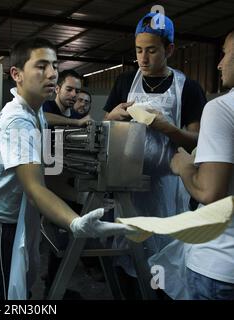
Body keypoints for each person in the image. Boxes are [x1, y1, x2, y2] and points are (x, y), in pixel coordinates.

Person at [0, 37, 136, 300]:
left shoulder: (36, 115)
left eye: (55, 66)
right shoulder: (18, 122)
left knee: (20, 289)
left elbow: (44, 177)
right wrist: (75, 222)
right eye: (41, 66)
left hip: (15, 219)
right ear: (17, 74)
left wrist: (84, 202)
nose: (51, 74)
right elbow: (35, 188)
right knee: (1, 296)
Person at [103, 12, 206, 298]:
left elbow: (197, 139)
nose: (143, 59)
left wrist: (167, 128)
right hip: (128, 188)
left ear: (169, 49)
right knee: (127, 257)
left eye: (151, 50)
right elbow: (104, 130)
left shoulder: (188, 88)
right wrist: (113, 117)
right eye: (138, 51)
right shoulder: (125, 82)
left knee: (164, 263)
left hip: (168, 190)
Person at [154, 30, 234, 300]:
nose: (220, 63)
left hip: (220, 265)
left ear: (169, 50)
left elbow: (210, 193)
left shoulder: (221, 107)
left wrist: (185, 166)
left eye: (225, 53)